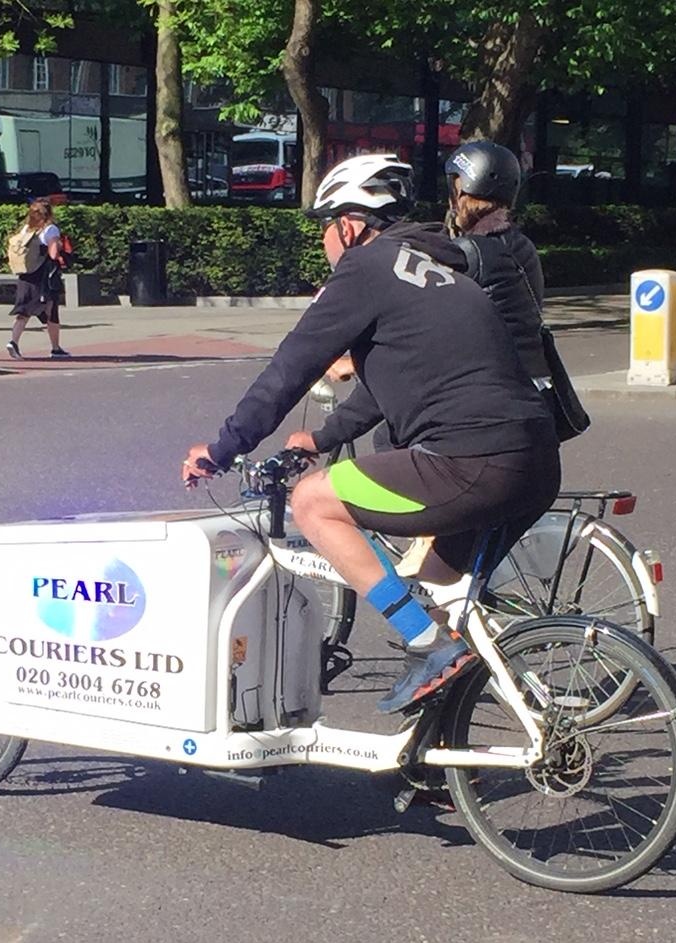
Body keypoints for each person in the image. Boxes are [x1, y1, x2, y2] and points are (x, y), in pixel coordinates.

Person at [182, 153, 560, 713]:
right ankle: (444, 733)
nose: (323, 243)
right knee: (433, 587)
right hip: (536, 460)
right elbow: (396, 382)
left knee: (314, 501)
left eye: (324, 228)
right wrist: (323, 437)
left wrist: (221, 449)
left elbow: (289, 370)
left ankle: (429, 646)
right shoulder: (437, 269)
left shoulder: (364, 269)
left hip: (473, 462)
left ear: (350, 225)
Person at [306, 141, 546, 454]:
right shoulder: (516, 245)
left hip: (488, 404)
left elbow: (421, 347)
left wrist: (328, 429)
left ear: (461, 193)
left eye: (453, 189)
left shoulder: (467, 255)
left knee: (391, 438)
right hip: (530, 393)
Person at [5, 200, 69, 359]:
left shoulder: (27, 228)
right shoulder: (50, 229)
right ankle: (55, 348)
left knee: (24, 310)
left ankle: (14, 341)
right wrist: (59, 246)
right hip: (43, 276)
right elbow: (53, 254)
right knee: (51, 310)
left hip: (26, 274)